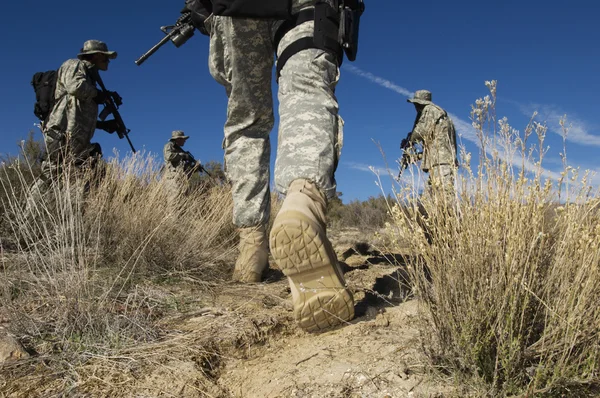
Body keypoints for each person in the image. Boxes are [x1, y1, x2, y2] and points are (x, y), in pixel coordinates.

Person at [182, 0, 358, 332]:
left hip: (236, 9)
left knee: (247, 122)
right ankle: (302, 204)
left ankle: (252, 250)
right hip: (306, 5)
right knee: (306, 87)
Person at [40, 40, 120, 182]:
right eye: (104, 57)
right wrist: (99, 95)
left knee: (82, 176)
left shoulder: (90, 79)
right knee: (51, 175)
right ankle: (32, 204)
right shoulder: (75, 64)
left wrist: (104, 125)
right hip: (62, 134)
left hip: (78, 140)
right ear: (95, 55)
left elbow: (78, 114)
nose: (108, 61)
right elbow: (75, 87)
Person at [401, 90, 458, 197]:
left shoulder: (430, 110)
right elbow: (435, 149)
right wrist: (414, 157)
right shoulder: (442, 117)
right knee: (431, 200)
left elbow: (419, 132)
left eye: (416, 104)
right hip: (440, 163)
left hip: (441, 164)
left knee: (445, 199)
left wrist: (409, 141)